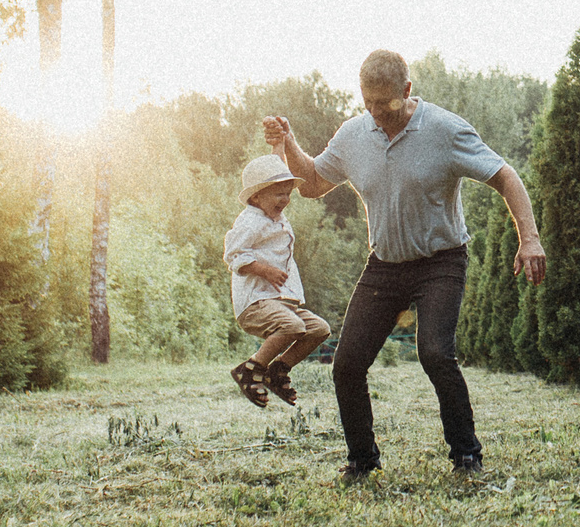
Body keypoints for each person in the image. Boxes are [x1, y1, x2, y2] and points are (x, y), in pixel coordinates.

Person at [263, 50, 546, 482]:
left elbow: (505, 175)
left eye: (386, 103)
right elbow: (314, 184)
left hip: (440, 261)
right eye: (368, 102)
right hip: (385, 265)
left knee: (434, 352)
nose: (376, 113)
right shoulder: (354, 134)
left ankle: (466, 456)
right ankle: (362, 461)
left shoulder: (443, 129)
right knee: (347, 364)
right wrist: (288, 144)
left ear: (407, 91)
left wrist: (530, 239)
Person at [224, 155, 333, 410]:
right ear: (256, 197)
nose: (284, 200)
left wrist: (280, 144)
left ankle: (278, 370)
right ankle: (249, 370)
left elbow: (277, 164)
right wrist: (264, 270)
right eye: (277, 195)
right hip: (255, 302)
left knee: (319, 329)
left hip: (281, 301)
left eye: (287, 194)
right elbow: (233, 254)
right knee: (293, 326)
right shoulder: (250, 221)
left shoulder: (274, 217)